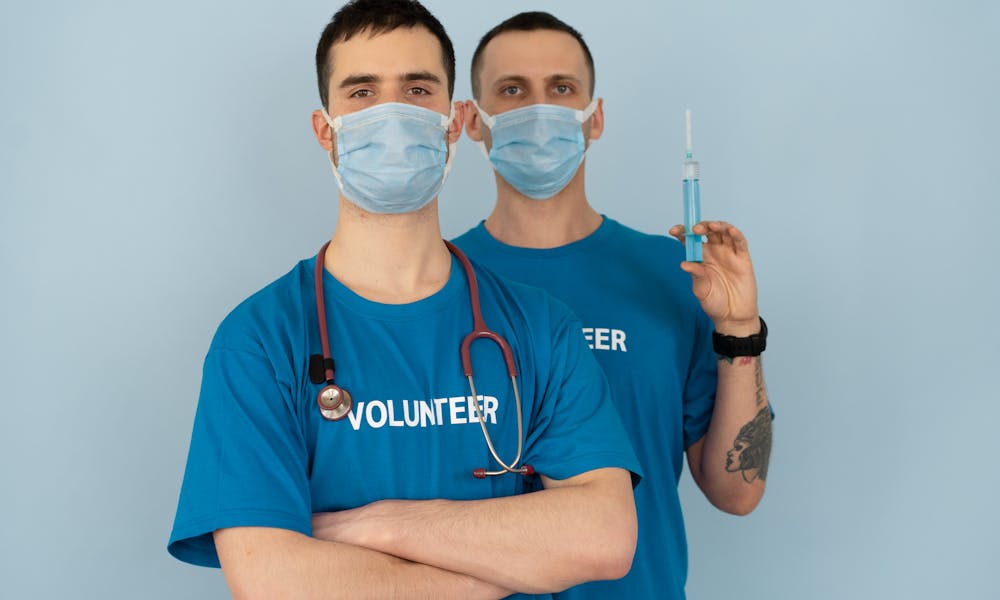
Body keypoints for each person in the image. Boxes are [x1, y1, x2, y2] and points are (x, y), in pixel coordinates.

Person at [166, 2, 642, 598]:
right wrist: (499, 569)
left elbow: (603, 538)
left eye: (417, 88)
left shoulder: (540, 326)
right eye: (362, 92)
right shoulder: (260, 339)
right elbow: (270, 578)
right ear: (324, 130)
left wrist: (375, 525)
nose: (392, 113)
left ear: (452, 120)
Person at [451, 11, 774, 600]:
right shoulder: (435, 280)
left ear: (593, 119)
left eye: (562, 88)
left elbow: (737, 492)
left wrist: (738, 329)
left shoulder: (672, 275)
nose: (539, 109)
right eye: (513, 90)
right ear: (472, 120)